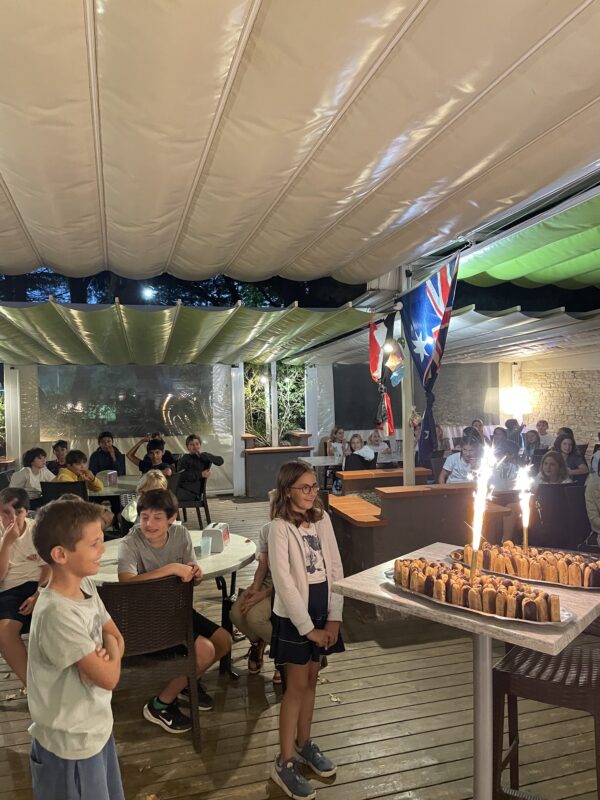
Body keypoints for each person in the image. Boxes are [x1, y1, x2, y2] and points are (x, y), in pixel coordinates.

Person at [27, 499, 125, 800]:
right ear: (60, 554)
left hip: (95, 728)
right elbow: (109, 677)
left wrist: (108, 650)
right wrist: (108, 652)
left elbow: (116, 635)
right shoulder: (57, 613)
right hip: (69, 746)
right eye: (94, 544)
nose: (103, 550)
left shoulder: (86, 585)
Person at [117, 489, 232, 728]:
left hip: (176, 610)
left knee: (224, 641)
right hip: (147, 616)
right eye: (144, 517)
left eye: (157, 518)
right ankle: (159, 705)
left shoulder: (181, 534)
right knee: (205, 651)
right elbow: (126, 583)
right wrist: (170, 568)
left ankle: (185, 683)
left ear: (172, 518)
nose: (149, 524)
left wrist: (195, 573)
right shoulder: (131, 542)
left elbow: (190, 574)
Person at [268, 462, 344, 799]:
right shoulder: (279, 528)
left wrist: (334, 618)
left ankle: (304, 743)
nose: (312, 493)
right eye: (305, 488)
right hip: (295, 617)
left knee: (312, 680)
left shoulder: (322, 519)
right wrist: (308, 629)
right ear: (288, 491)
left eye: (314, 486)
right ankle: (284, 760)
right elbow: (284, 583)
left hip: (322, 611)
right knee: (295, 687)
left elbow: (336, 566)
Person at [0, 488, 49, 688]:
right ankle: (34, 687)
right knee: (4, 633)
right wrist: (6, 544)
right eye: (5, 512)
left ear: (26, 512)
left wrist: (38, 594)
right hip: (8, 589)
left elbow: (49, 568)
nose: (11, 518)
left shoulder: (37, 530)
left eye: (18, 512)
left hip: (39, 585)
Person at [229, 522, 280, 684]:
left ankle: (283, 654)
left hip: (286, 586)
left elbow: (292, 577)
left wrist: (263, 595)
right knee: (236, 613)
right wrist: (254, 591)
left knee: (255, 618)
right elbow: (262, 566)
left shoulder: (296, 530)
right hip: (268, 580)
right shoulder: (267, 529)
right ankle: (258, 642)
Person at [176, 434, 224, 501]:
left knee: (169, 496)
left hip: (193, 492)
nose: (195, 446)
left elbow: (220, 461)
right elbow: (180, 476)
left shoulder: (204, 456)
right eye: (191, 444)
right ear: (187, 447)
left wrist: (204, 456)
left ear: (200, 445)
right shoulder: (184, 458)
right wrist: (200, 474)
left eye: (197, 444)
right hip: (181, 488)